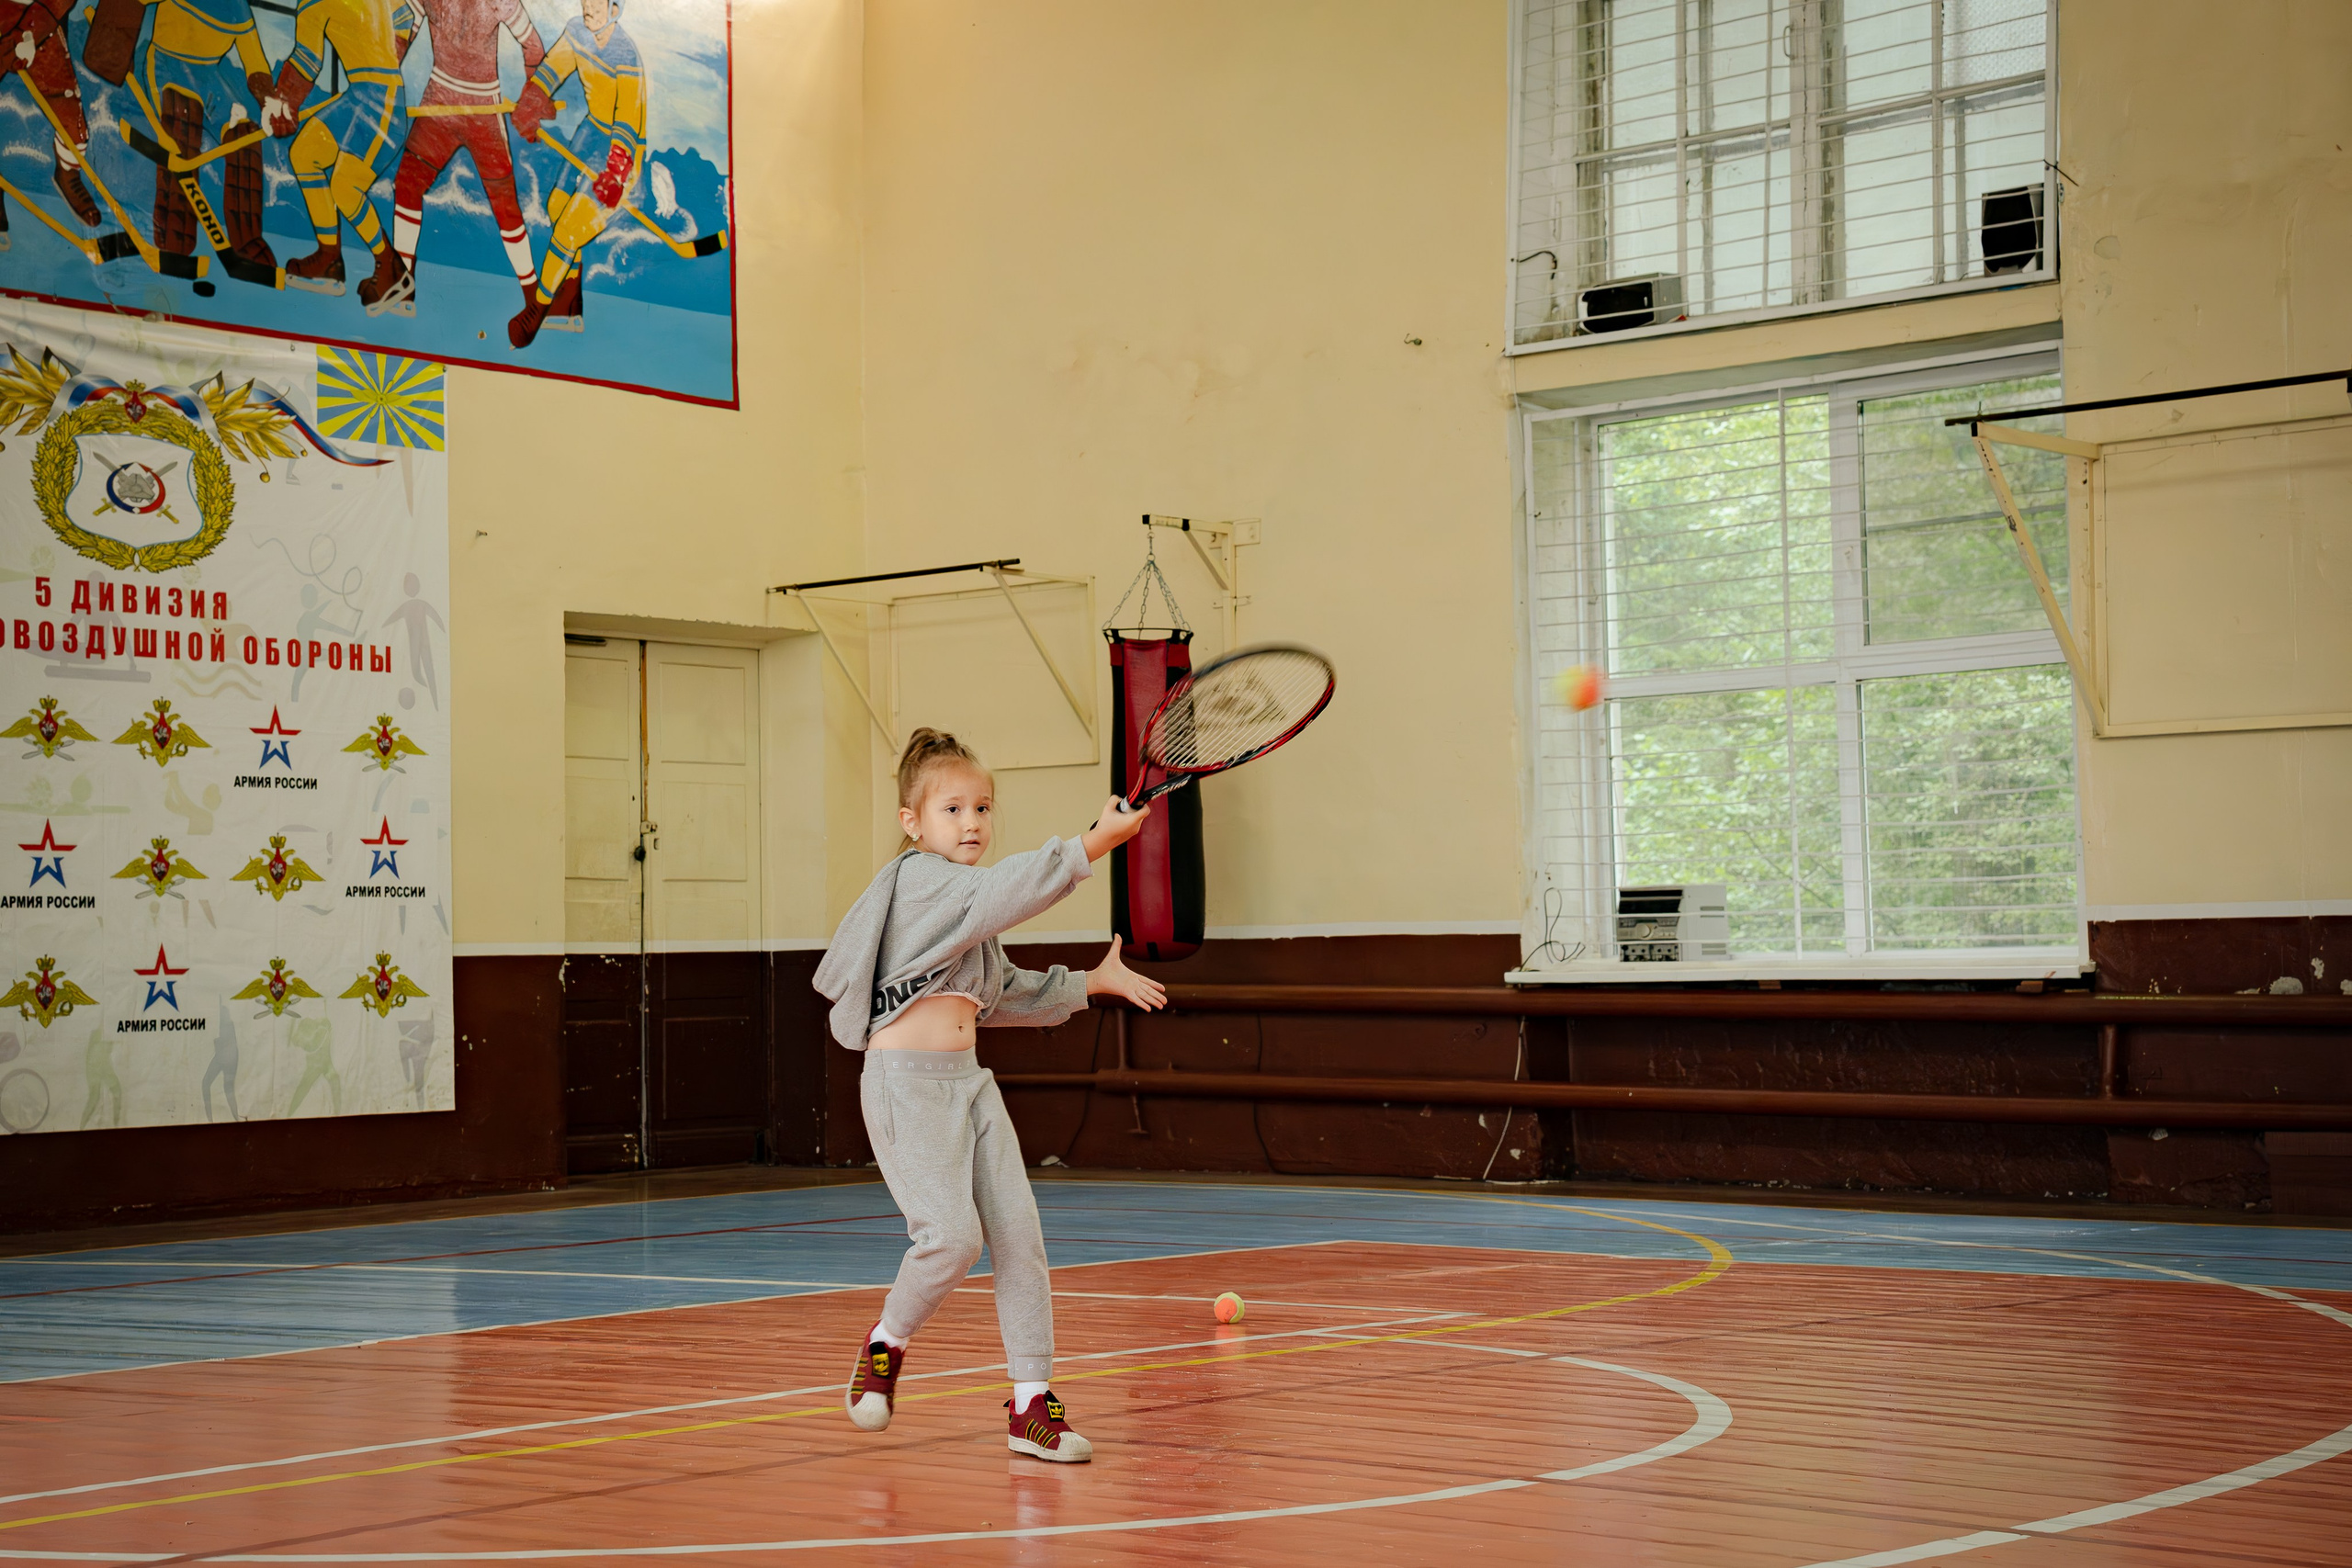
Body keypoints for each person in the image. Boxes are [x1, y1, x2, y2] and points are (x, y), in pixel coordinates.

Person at [814, 728, 1166, 1463]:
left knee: (1019, 1241)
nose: (972, 822)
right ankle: (886, 1342)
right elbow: (1002, 891)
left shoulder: (965, 917)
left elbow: (999, 992)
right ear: (912, 822)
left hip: (970, 1085)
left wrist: (1089, 983)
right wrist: (1090, 844)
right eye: (953, 808)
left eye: (983, 807)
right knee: (952, 1239)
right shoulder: (923, 883)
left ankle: (1032, 1405)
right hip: (905, 1090)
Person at [376, 0, 548, 317]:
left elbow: (533, 47)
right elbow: (399, 36)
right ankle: (403, 284)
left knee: (505, 205)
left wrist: (534, 98)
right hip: (439, 103)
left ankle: (534, 298)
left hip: (484, 109)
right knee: (407, 184)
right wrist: (376, 80)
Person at [256, 0, 416, 301]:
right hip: (359, 94)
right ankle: (329, 257)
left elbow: (306, 62)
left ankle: (392, 270)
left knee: (346, 187)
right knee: (304, 153)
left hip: (381, 99)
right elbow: (404, 16)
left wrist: (283, 106)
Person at [504, 0, 640, 347]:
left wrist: (616, 171)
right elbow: (553, 70)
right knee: (557, 208)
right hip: (592, 132)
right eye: (585, 0)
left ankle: (538, 309)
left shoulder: (626, 54)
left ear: (615, 8)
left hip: (621, 151)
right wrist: (532, 101)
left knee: (569, 228)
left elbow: (628, 119)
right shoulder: (577, 31)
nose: (587, 7)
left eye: (597, 2)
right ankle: (568, 303)